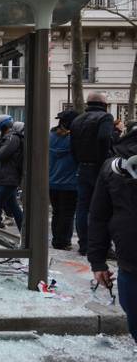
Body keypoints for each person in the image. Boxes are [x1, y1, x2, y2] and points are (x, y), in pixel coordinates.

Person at [88, 121, 137, 345]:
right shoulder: (114, 166)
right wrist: (97, 261)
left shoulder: (113, 165)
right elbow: (99, 216)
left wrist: (98, 261)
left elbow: (98, 216)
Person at [70, 91, 114, 255]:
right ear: (103, 104)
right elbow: (104, 138)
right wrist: (104, 163)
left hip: (82, 167)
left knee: (82, 208)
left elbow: (72, 146)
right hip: (99, 168)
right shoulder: (105, 117)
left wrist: (79, 161)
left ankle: (84, 245)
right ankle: (103, 247)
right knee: (103, 208)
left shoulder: (77, 119)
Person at [49, 111, 79, 251]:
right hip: (70, 182)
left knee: (57, 212)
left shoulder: (50, 137)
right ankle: (64, 241)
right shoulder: (74, 139)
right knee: (68, 213)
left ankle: (56, 240)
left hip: (52, 181)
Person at [0, 114, 24, 231]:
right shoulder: (4, 139)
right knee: (14, 207)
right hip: (4, 178)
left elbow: (0, 154)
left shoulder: (13, 138)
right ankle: (24, 231)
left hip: (7, 179)